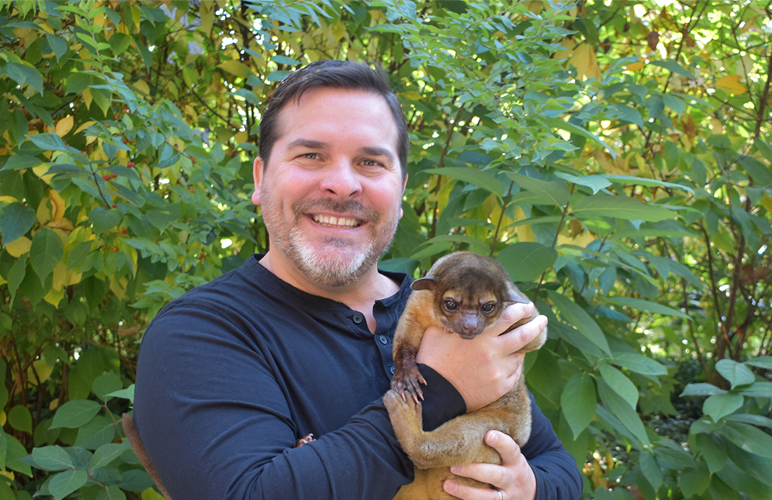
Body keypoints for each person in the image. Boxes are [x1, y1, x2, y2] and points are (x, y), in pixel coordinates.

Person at [133, 60, 583, 499]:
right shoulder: (202, 332)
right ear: (260, 178)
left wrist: (527, 490)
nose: (343, 184)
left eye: (370, 162)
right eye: (311, 155)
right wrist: (441, 386)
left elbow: (557, 467)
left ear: (401, 192)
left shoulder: (443, 307)